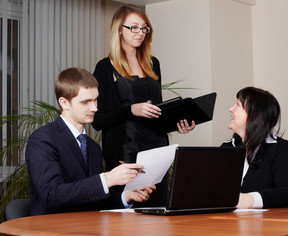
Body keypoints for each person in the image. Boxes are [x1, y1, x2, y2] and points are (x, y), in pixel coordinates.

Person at [92, 4, 195, 207]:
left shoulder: (152, 63)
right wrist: (131, 109)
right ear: (119, 29)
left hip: (157, 151)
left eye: (144, 27)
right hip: (125, 153)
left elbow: (157, 111)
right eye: (134, 27)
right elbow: (97, 120)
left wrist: (177, 123)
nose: (141, 33)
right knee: (129, 215)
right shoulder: (104, 67)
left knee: (158, 213)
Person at [25, 68, 155, 216]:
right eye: (86, 102)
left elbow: (92, 204)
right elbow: (52, 196)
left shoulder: (92, 147)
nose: (94, 108)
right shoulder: (42, 140)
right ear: (64, 103)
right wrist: (107, 179)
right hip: (51, 232)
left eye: (95, 100)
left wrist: (126, 197)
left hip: (86, 230)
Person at [222, 86, 288, 209]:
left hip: (266, 226)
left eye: (237, 105)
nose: (230, 109)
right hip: (224, 224)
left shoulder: (282, 149)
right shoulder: (226, 148)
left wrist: (248, 200)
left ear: (255, 115)